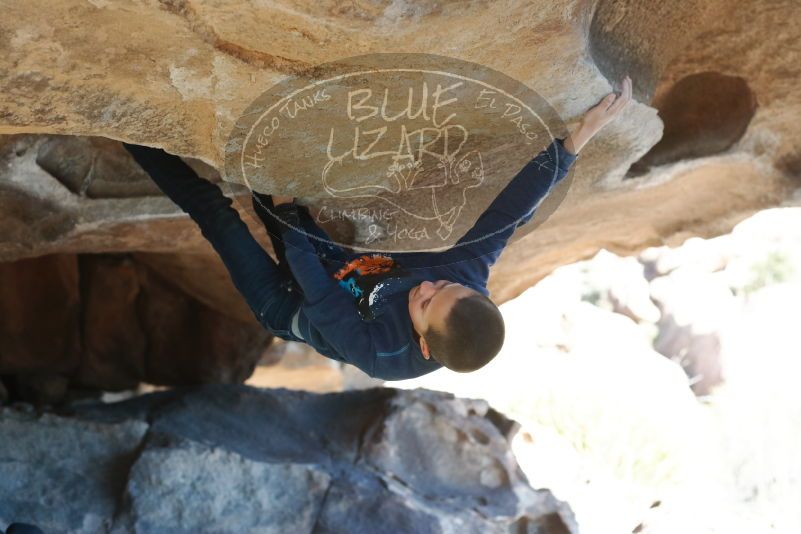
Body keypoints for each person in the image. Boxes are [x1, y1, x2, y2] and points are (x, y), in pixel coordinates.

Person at [122, 75, 631, 381]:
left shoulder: (386, 356)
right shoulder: (463, 283)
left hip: (293, 305)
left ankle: (130, 129)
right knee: (267, 185)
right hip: (337, 266)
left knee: (215, 212)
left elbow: (318, 295)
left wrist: (285, 213)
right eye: (449, 286)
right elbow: (507, 215)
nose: (431, 285)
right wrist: (572, 145)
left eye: (428, 302)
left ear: (425, 345)